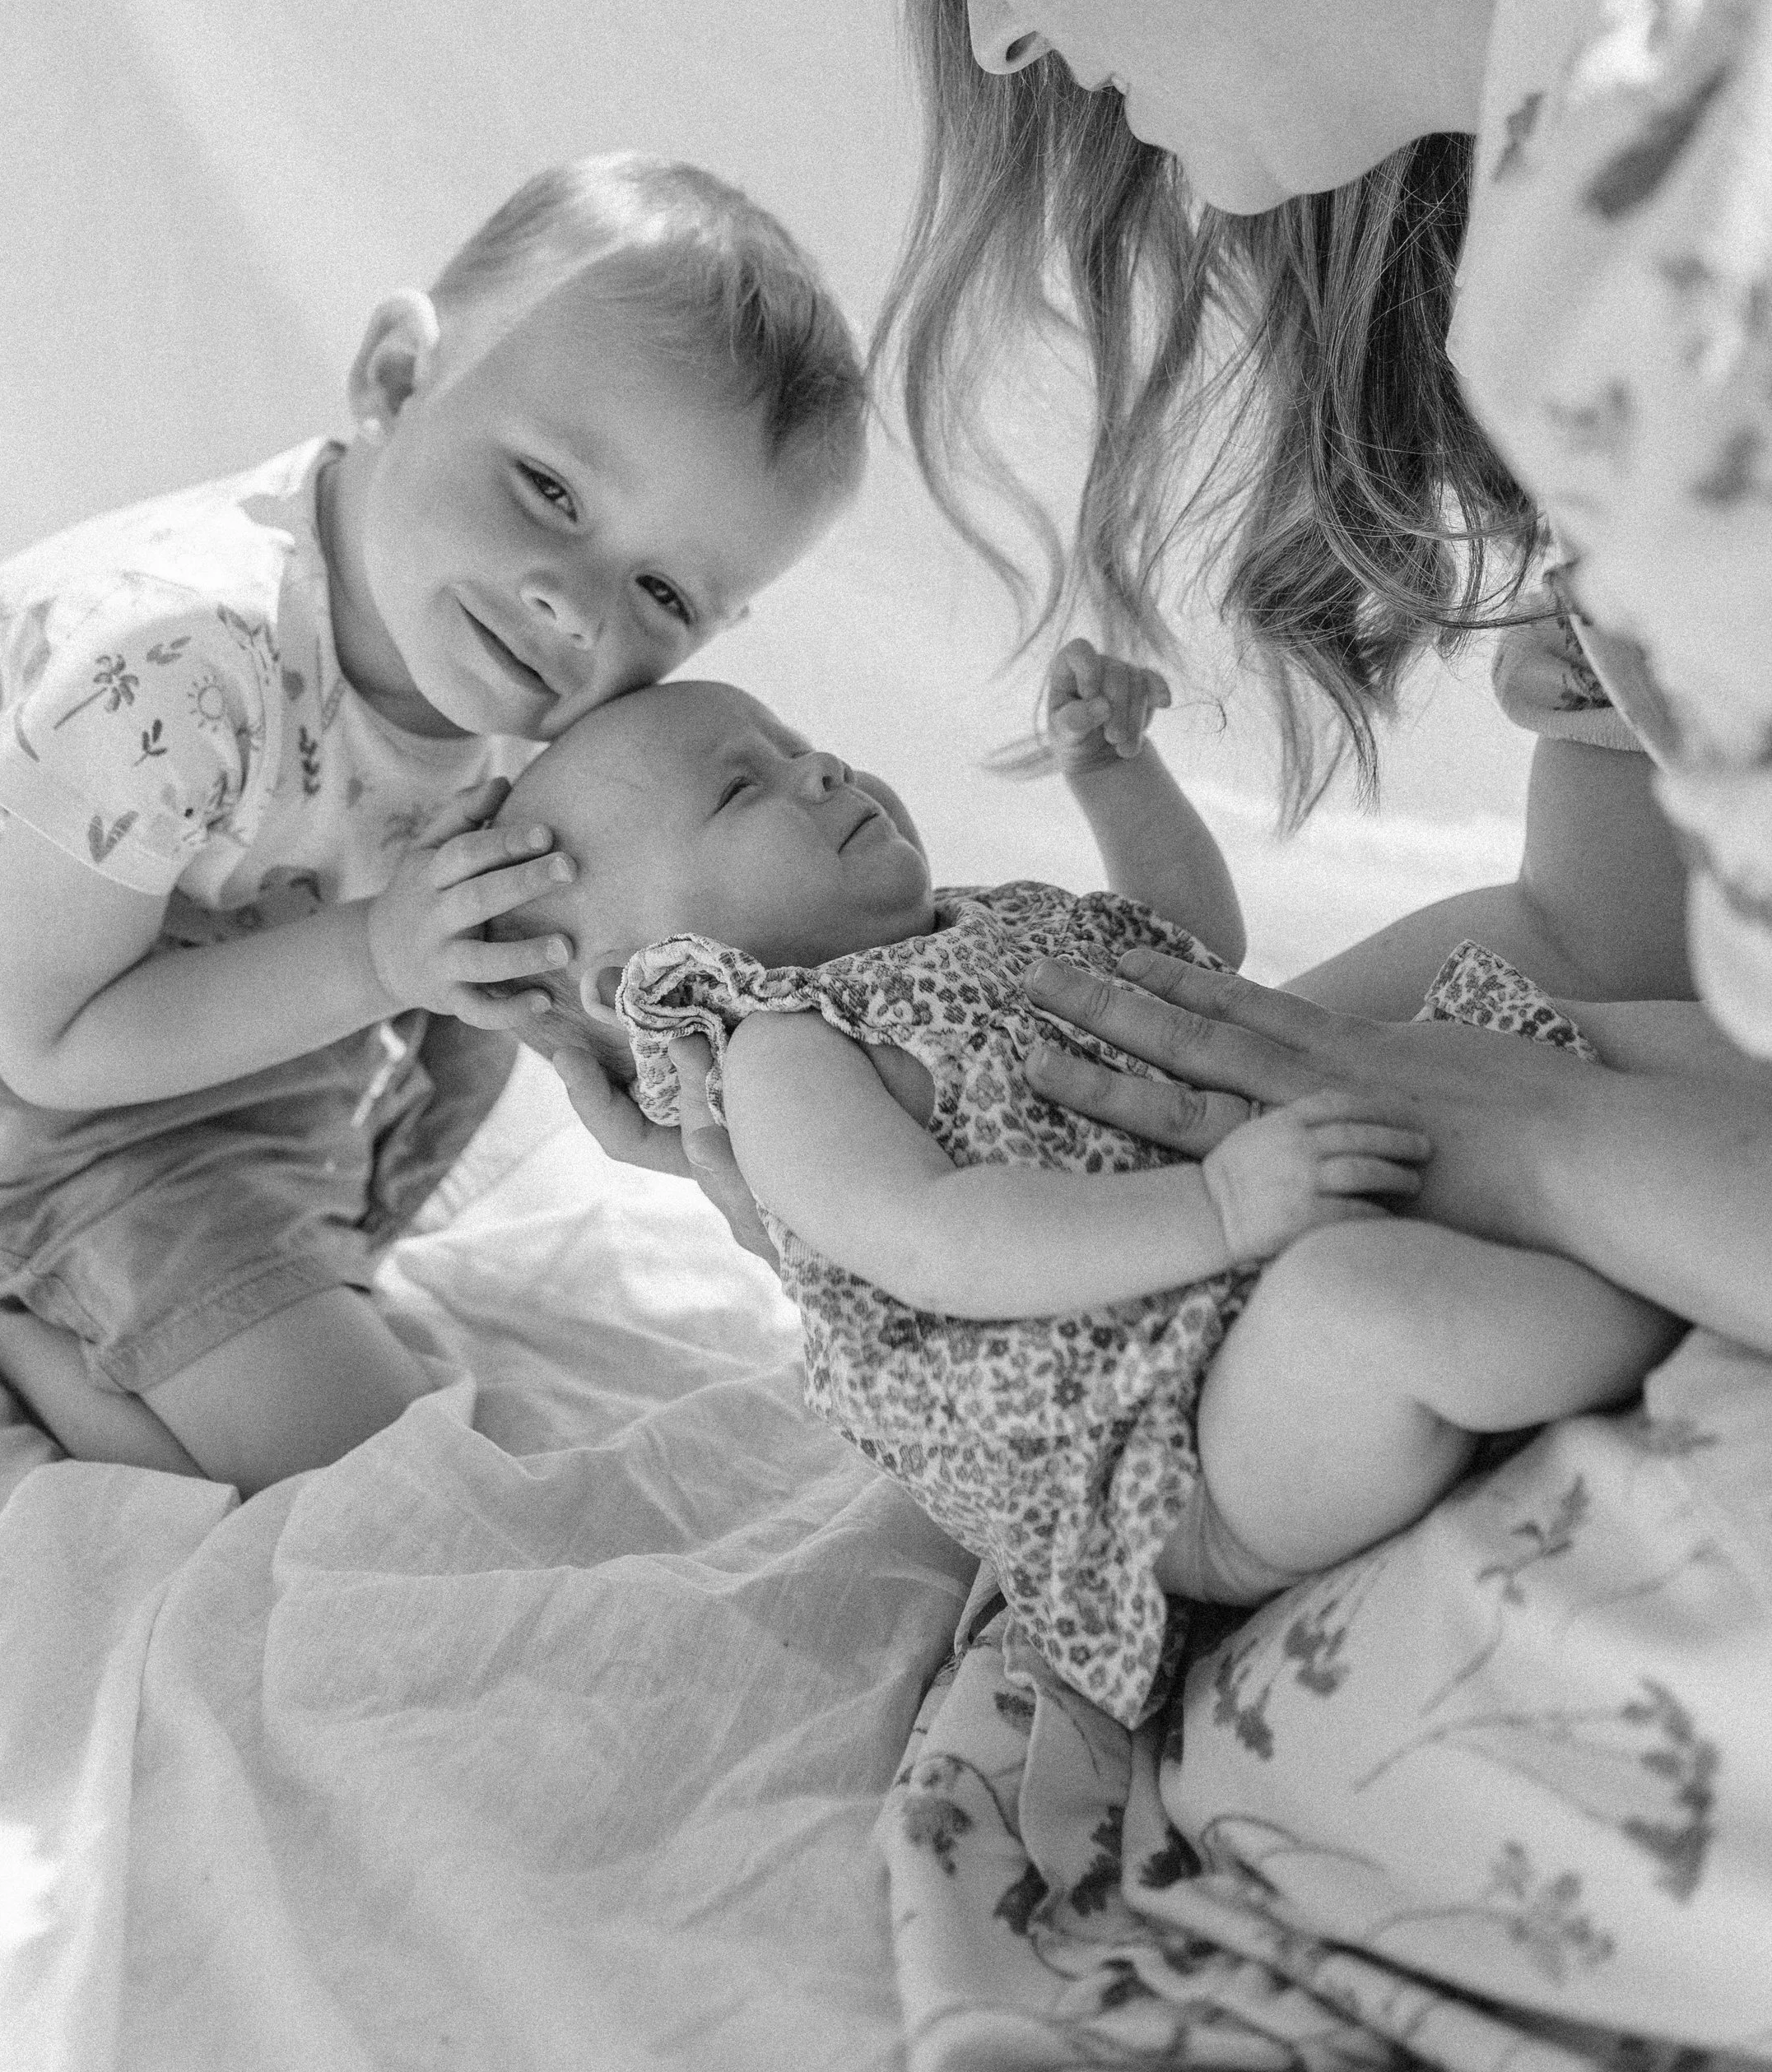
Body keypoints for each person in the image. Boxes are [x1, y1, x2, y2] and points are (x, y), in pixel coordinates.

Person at [564, 0, 1772, 1353]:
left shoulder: (1661, 219)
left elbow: (1600, 1070)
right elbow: (1623, 955)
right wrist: (971, 1119)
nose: (1003, 31)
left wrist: (1527, 1142)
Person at [0, 154, 867, 1493]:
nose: (574, 605)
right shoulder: (175, 670)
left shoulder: (482, 629)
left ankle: (221, 1287)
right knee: (378, 1470)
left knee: (480, 984)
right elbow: (51, 1042)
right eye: (550, 490)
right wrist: (380, 955)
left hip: (257, 1007)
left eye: (662, 590)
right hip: (18, 1071)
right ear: (393, 379)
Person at [496, 662, 1673, 1724]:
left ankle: (1651, 1259)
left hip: (1255, 1268)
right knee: (1369, 1301)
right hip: (1171, 1459)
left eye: (797, 740)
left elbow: (1190, 948)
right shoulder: (785, 1054)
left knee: (1504, 1082)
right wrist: (1215, 1210)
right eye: (740, 791)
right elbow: (938, 1240)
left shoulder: (991, 925)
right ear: (639, 974)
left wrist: (1116, 778)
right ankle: (1672, 1330)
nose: (817, 766)